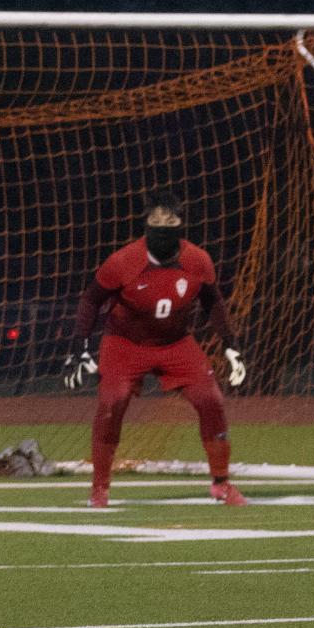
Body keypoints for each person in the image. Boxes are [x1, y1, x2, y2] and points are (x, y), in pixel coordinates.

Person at [61, 190, 248, 508]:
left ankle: (221, 484)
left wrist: (232, 346)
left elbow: (212, 300)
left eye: (170, 220)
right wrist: (79, 348)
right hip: (125, 344)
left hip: (175, 342)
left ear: (181, 223)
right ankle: (99, 489)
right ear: (145, 224)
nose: (163, 226)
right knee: (112, 402)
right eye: (155, 220)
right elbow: (91, 299)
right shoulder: (123, 261)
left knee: (211, 400)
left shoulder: (197, 260)